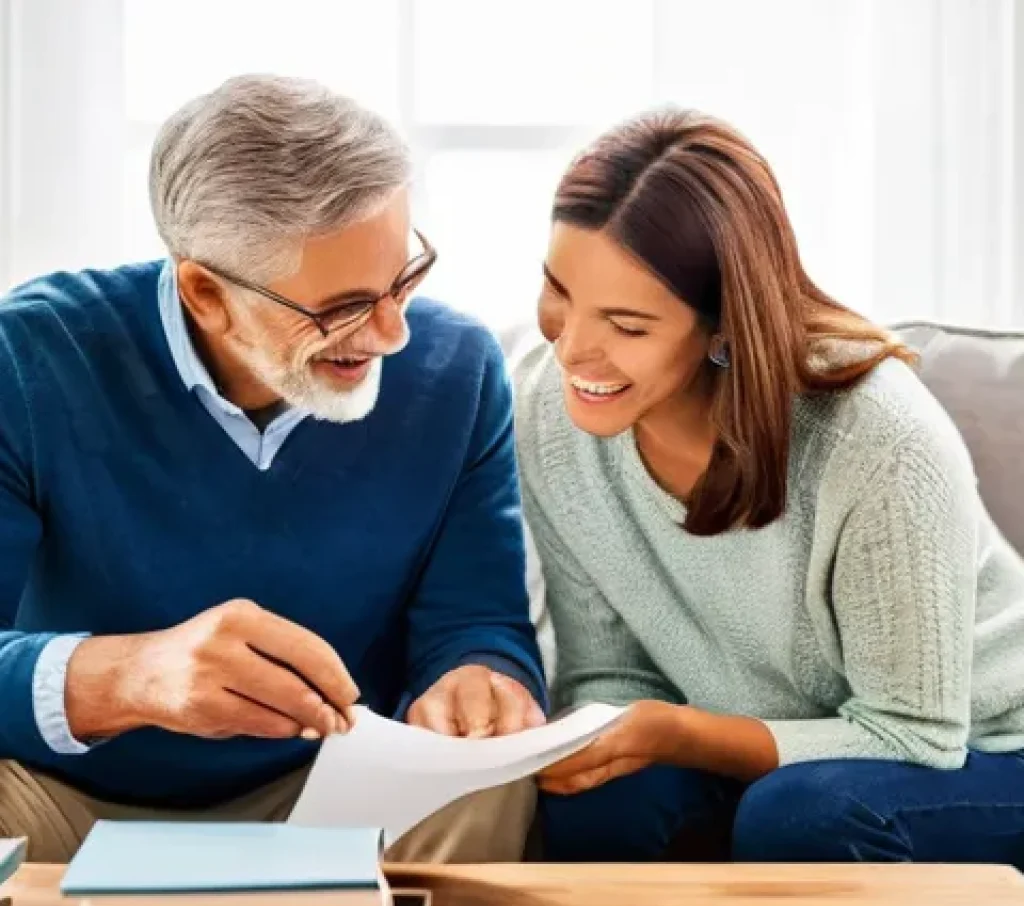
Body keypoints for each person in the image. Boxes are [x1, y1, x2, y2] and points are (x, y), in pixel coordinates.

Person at [0, 75, 547, 863]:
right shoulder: (30, 359)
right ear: (205, 293)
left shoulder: (456, 371)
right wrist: (129, 675)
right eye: (342, 307)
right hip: (65, 800)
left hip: (337, 794)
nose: (394, 334)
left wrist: (479, 678)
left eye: (403, 278)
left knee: (486, 783)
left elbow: (476, 622)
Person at [514, 107, 1024, 865]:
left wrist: (680, 734)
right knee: (600, 801)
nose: (573, 349)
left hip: (980, 746)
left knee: (801, 819)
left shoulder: (875, 438)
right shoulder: (548, 412)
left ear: (724, 326)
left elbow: (912, 732)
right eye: (559, 292)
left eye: (625, 324)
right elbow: (608, 675)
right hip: (765, 750)